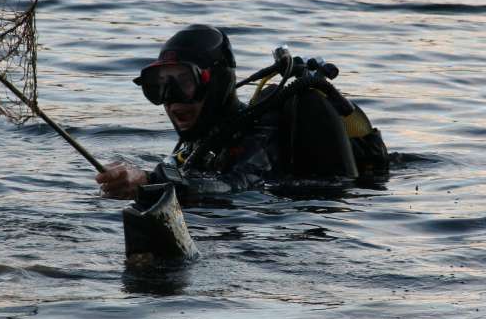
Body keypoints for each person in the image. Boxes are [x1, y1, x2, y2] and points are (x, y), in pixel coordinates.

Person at [95, 24, 388, 204]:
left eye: (183, 82)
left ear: (217, 83)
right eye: (158, 86)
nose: (170, 99)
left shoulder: (260, 132)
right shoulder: (202, 139)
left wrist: (148, 180)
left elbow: (235, 185)